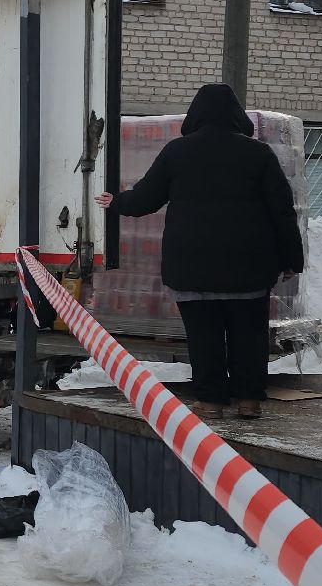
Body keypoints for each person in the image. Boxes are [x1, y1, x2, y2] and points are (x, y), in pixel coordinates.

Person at [94, 83, 303, 419]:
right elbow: (282, 210)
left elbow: (146, 198)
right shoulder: (258, 154)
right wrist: (292, 259)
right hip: (248, 268)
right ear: (235, 116)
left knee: (203, 337)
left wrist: (116, 202)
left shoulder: (177, 152)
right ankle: (249, 400)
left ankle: (211, 401)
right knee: (249, 336)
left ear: (195, 115)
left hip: (191, 266)